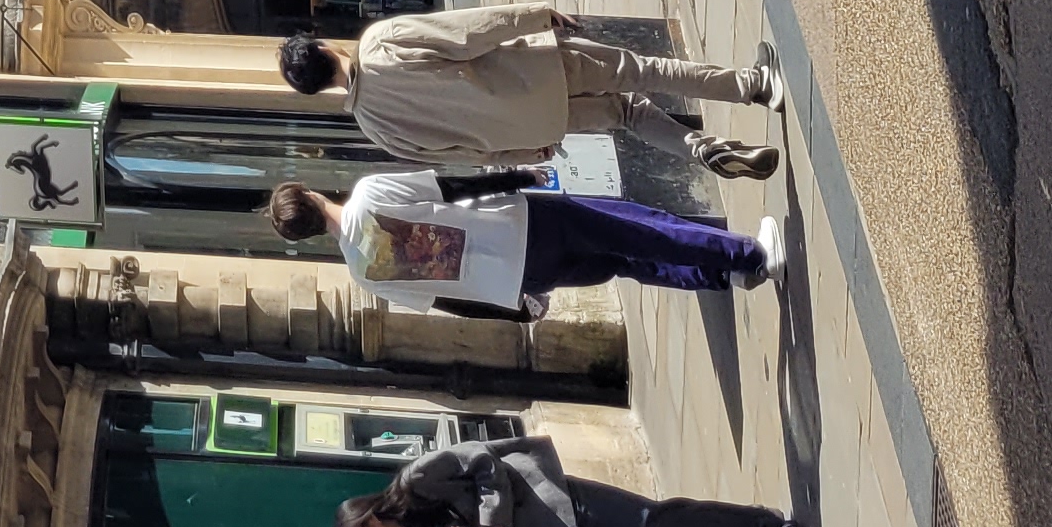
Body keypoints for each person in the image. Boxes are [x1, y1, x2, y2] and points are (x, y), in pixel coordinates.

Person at [277, 3, 782, 177]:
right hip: (538, 72)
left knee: (628, 115)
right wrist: (535, 15)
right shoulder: (379, 44)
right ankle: (752, 85)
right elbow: (466, 33)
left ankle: (704, 151)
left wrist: (523, 153)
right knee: (643, 70)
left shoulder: (376, 129)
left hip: (535, 126)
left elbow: (462, 155)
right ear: (322, 48)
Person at [268, 167, 782, 309]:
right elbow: (449, 185)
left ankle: (716, 274)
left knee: (622, 263)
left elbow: (447, 302)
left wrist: (514, 305)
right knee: (635, 228)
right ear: (310, 194)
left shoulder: (364, 273)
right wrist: (516, 177)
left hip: (520, 278)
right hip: (522, 224)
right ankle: (747, 254)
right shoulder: (369, 194)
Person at [336, 440, 804, 527]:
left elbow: (481, 460)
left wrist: (493, 525)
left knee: (655, 523)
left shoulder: (417, 481)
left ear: (369, 519)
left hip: (552, 503)